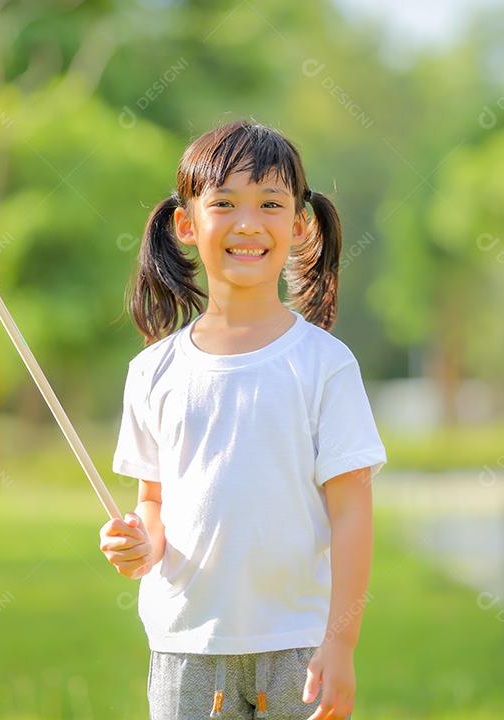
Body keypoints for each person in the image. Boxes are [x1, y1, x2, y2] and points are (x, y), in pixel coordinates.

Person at [99, 119, 386, 720]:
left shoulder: (325, 365)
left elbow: (352, 509)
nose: (248, 223)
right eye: (224, 202)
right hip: (187, 648)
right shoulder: (152, 371)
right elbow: (153, 500)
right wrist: (140, 543)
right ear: (186, 223)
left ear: (299, 223)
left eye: (271, 203)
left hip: (297, 646)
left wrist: (341, 641)